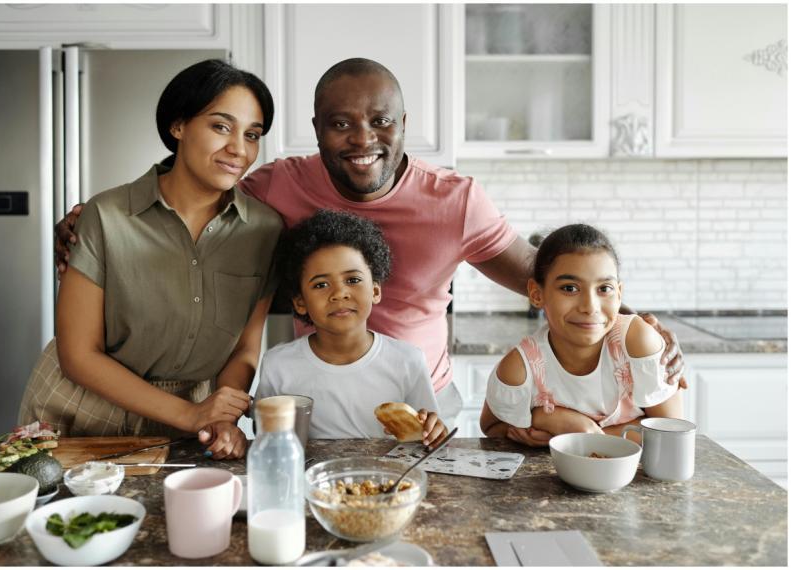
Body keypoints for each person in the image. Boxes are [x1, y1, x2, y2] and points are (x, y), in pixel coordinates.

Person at [53, 58, 686, 446]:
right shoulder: (274, 188)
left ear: (404, 125)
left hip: (421, 406)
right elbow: (196, 183)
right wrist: (93, 218)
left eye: (381, 121)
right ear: (316, 130)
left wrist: (632, 320)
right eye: (341, 123)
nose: (363, 139)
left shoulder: (457, 201)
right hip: (316, 404)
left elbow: (546, 275)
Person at [19, 59, 283, 459]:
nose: (239, 149)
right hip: (78, 410)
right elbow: (77, 354)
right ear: (178, 126)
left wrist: (220, 416)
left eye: (252, 134)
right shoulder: (105, 216)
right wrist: (191, 415)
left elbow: (244, 349)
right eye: (220, 127)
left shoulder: (265, 230)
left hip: (189, 421)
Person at [255, 210, 447, 446]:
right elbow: (265, 436)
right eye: (321, 285)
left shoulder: (408, 360)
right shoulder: (278, 365)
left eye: (353, 280)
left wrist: (433, 430)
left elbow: (425, 436)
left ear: (375, 291)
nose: (339, 293)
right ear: (300, 302)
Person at [480, 224, 683, 441]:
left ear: (619, 294)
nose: (590, 307)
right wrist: (545, 421)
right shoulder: (520, 368)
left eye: (604, 288)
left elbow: (670, 433)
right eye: (570, 288)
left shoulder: (637, 341)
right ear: (537, 294)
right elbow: (492, 427)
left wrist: (574, 431)